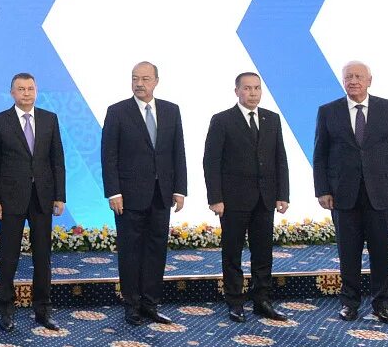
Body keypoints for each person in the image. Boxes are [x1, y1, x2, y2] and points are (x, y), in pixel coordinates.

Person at [313, 61, 388, 324]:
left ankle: (382, 304)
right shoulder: (328, 111)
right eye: (348, 77)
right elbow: (320, 155)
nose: (353, 81)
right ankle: (349, 303)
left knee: (382, 252)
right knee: (348, 253)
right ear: (343, 81)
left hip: (382, 194)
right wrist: (322, 190)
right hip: (343, 195)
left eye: (358, 76)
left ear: (369, 80)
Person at [101, 61, 187, 326]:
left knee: (156, 250)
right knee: (130, 252)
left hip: (161, 194)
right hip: (128, 197)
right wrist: (113, 192)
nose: (139, 83)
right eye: (135, 78)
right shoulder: (117, 111)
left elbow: (178, 152)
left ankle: (151, 303)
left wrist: (179, 189)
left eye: (145, 79)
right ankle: (132, 305)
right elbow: (108, 156)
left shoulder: (171, 110)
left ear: (156, 81)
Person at [203, 72, 290, 323]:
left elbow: (280, 158)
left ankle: (262, 300)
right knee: (232, 253)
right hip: (233, 200)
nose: (253, 93)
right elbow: (211, 161)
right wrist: (215, 198)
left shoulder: (272, 118)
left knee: (263, 253)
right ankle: (235, 301)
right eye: (247, 88)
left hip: (265, 198)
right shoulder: (222, 120)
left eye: (257, 88)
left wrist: (282, 194)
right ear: (237, 91)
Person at [0, 73, 65, 332]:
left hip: (43, 197)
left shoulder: (50, 119)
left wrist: (60, 196)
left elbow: (57, 160)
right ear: (12, 93)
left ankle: (43, 310)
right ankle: (6, 311)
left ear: (36, 91)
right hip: (10, 200)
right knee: (9, 258)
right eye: (21, 89)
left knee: (43, 257)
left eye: (30, 88)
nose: (26, 93)